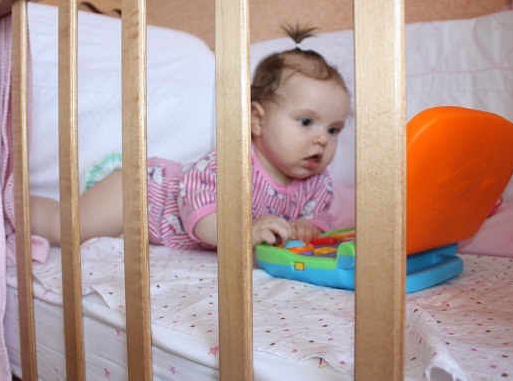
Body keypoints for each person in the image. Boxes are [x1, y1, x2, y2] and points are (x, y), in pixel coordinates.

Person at [30, 24, 350, 249]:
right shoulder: (231, 163)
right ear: (256, 120)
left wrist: (307, 228)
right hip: (143, 195)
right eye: (307, 121)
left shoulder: (317, 183)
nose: (323, 139)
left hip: (157, 235)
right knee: (69, 228)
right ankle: (16, 207)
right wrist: (245, 232)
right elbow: (200, 216)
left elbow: (319, 219)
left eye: (333, 129)